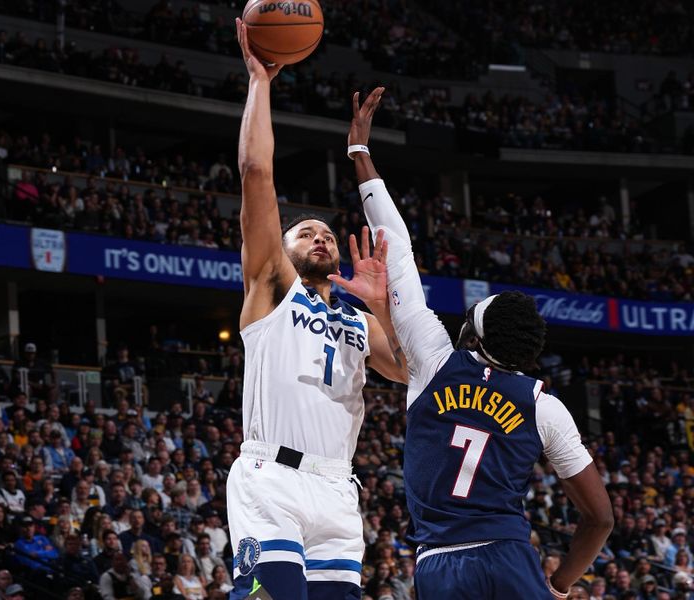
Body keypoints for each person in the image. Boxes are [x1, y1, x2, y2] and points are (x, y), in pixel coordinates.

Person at [328, 87, 614, 600]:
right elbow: (600, 519)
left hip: (440, 564)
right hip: (510, 557)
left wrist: (360, 153)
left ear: (472, 333)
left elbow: (396, 245)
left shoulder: (432, 359)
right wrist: (560, 583)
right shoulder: (543, 406)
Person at [225, 20, 407, 600]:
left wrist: (386, 306)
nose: (321, 239)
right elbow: (257, 174)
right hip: (271, 478)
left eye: (327, 234)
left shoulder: (360, 320)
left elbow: (408, 370)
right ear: (282, 249)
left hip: (336, 489)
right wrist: (260, 82)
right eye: (305, 233)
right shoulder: (273, 288)